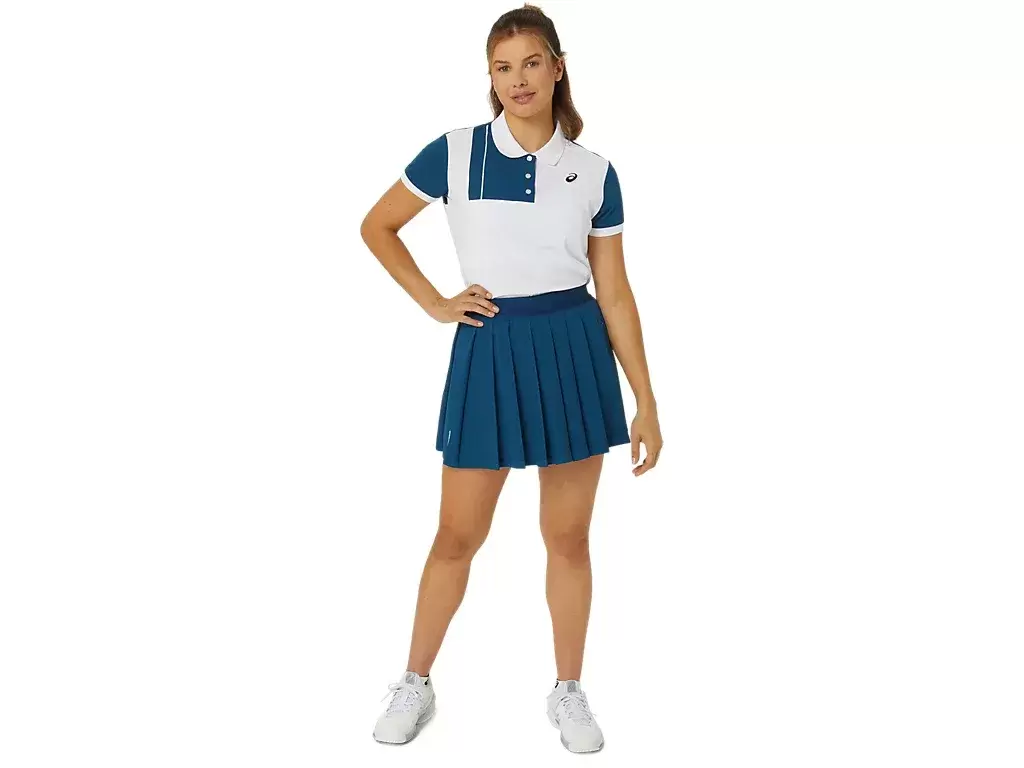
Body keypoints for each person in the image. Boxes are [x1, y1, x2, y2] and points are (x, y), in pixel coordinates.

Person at [359, 3, 662, 754]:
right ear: (490, 78)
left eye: (531, 63)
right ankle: (415, 681)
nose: (517, 79)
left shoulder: (594, 172)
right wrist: (435, 302)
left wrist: (646, 400)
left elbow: (614, 291)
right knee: (456, 535)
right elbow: (377, 225)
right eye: (502, 67)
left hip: (573, 350)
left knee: (568, 537)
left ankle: (568, 691)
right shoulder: (455, 152)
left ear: (558, 67)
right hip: (489, 348)